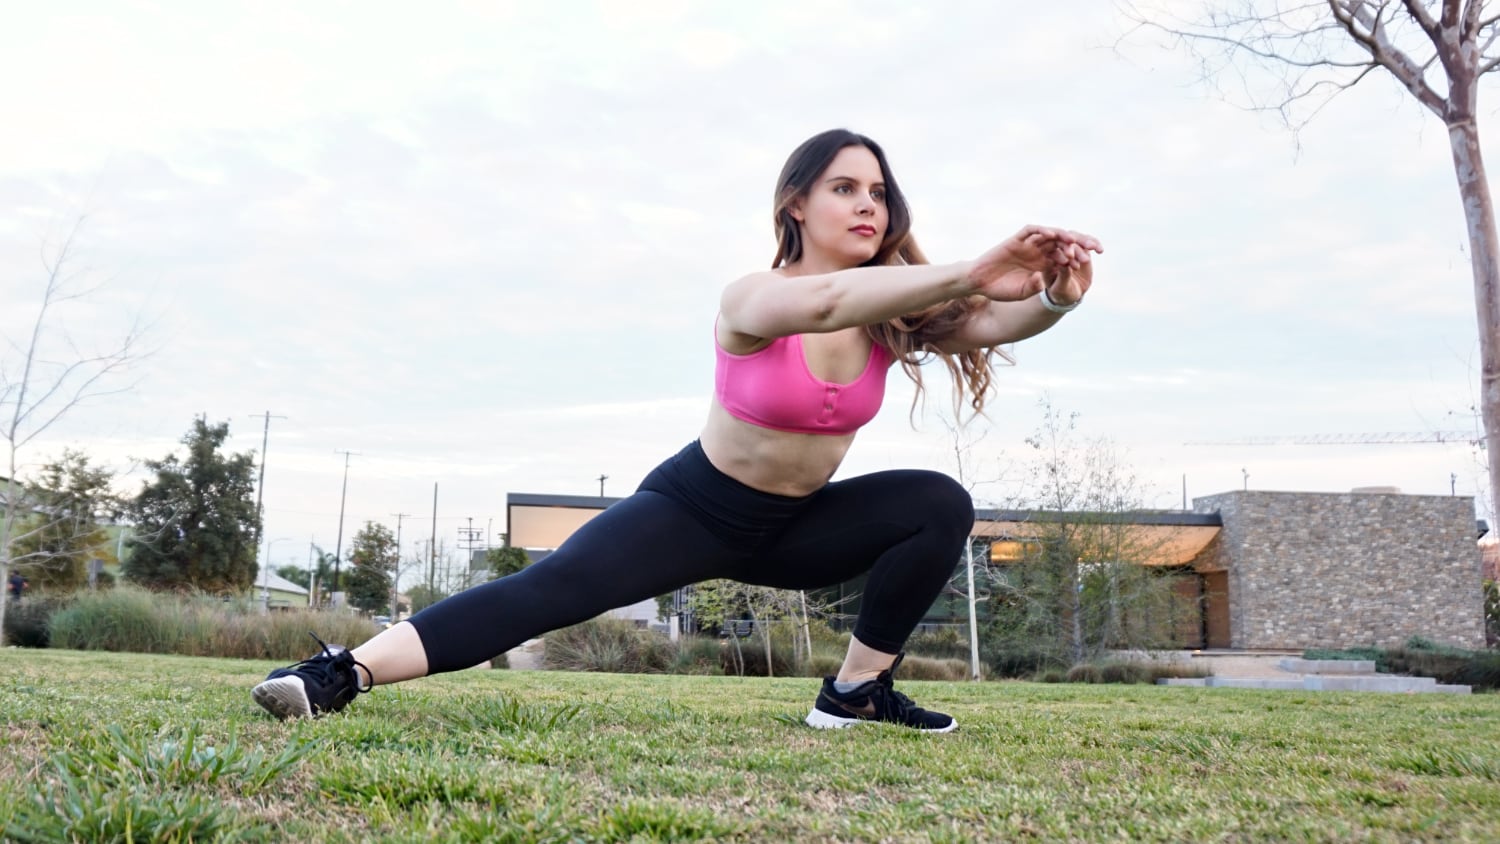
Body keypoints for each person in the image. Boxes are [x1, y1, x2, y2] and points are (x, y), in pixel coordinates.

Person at [253, 128, 1101, 732]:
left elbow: (995, 324)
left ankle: (856, 693)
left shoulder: (898, 316)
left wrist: (1059, 294)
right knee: (546, 593)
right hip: (694, 510)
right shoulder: (753, 298)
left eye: (879, 191)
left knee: (936, 503)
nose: (868, 204)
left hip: (796, 528)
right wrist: (977, 267)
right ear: (796, 205)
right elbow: (831, 300)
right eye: (845, 187)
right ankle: (339, 673)